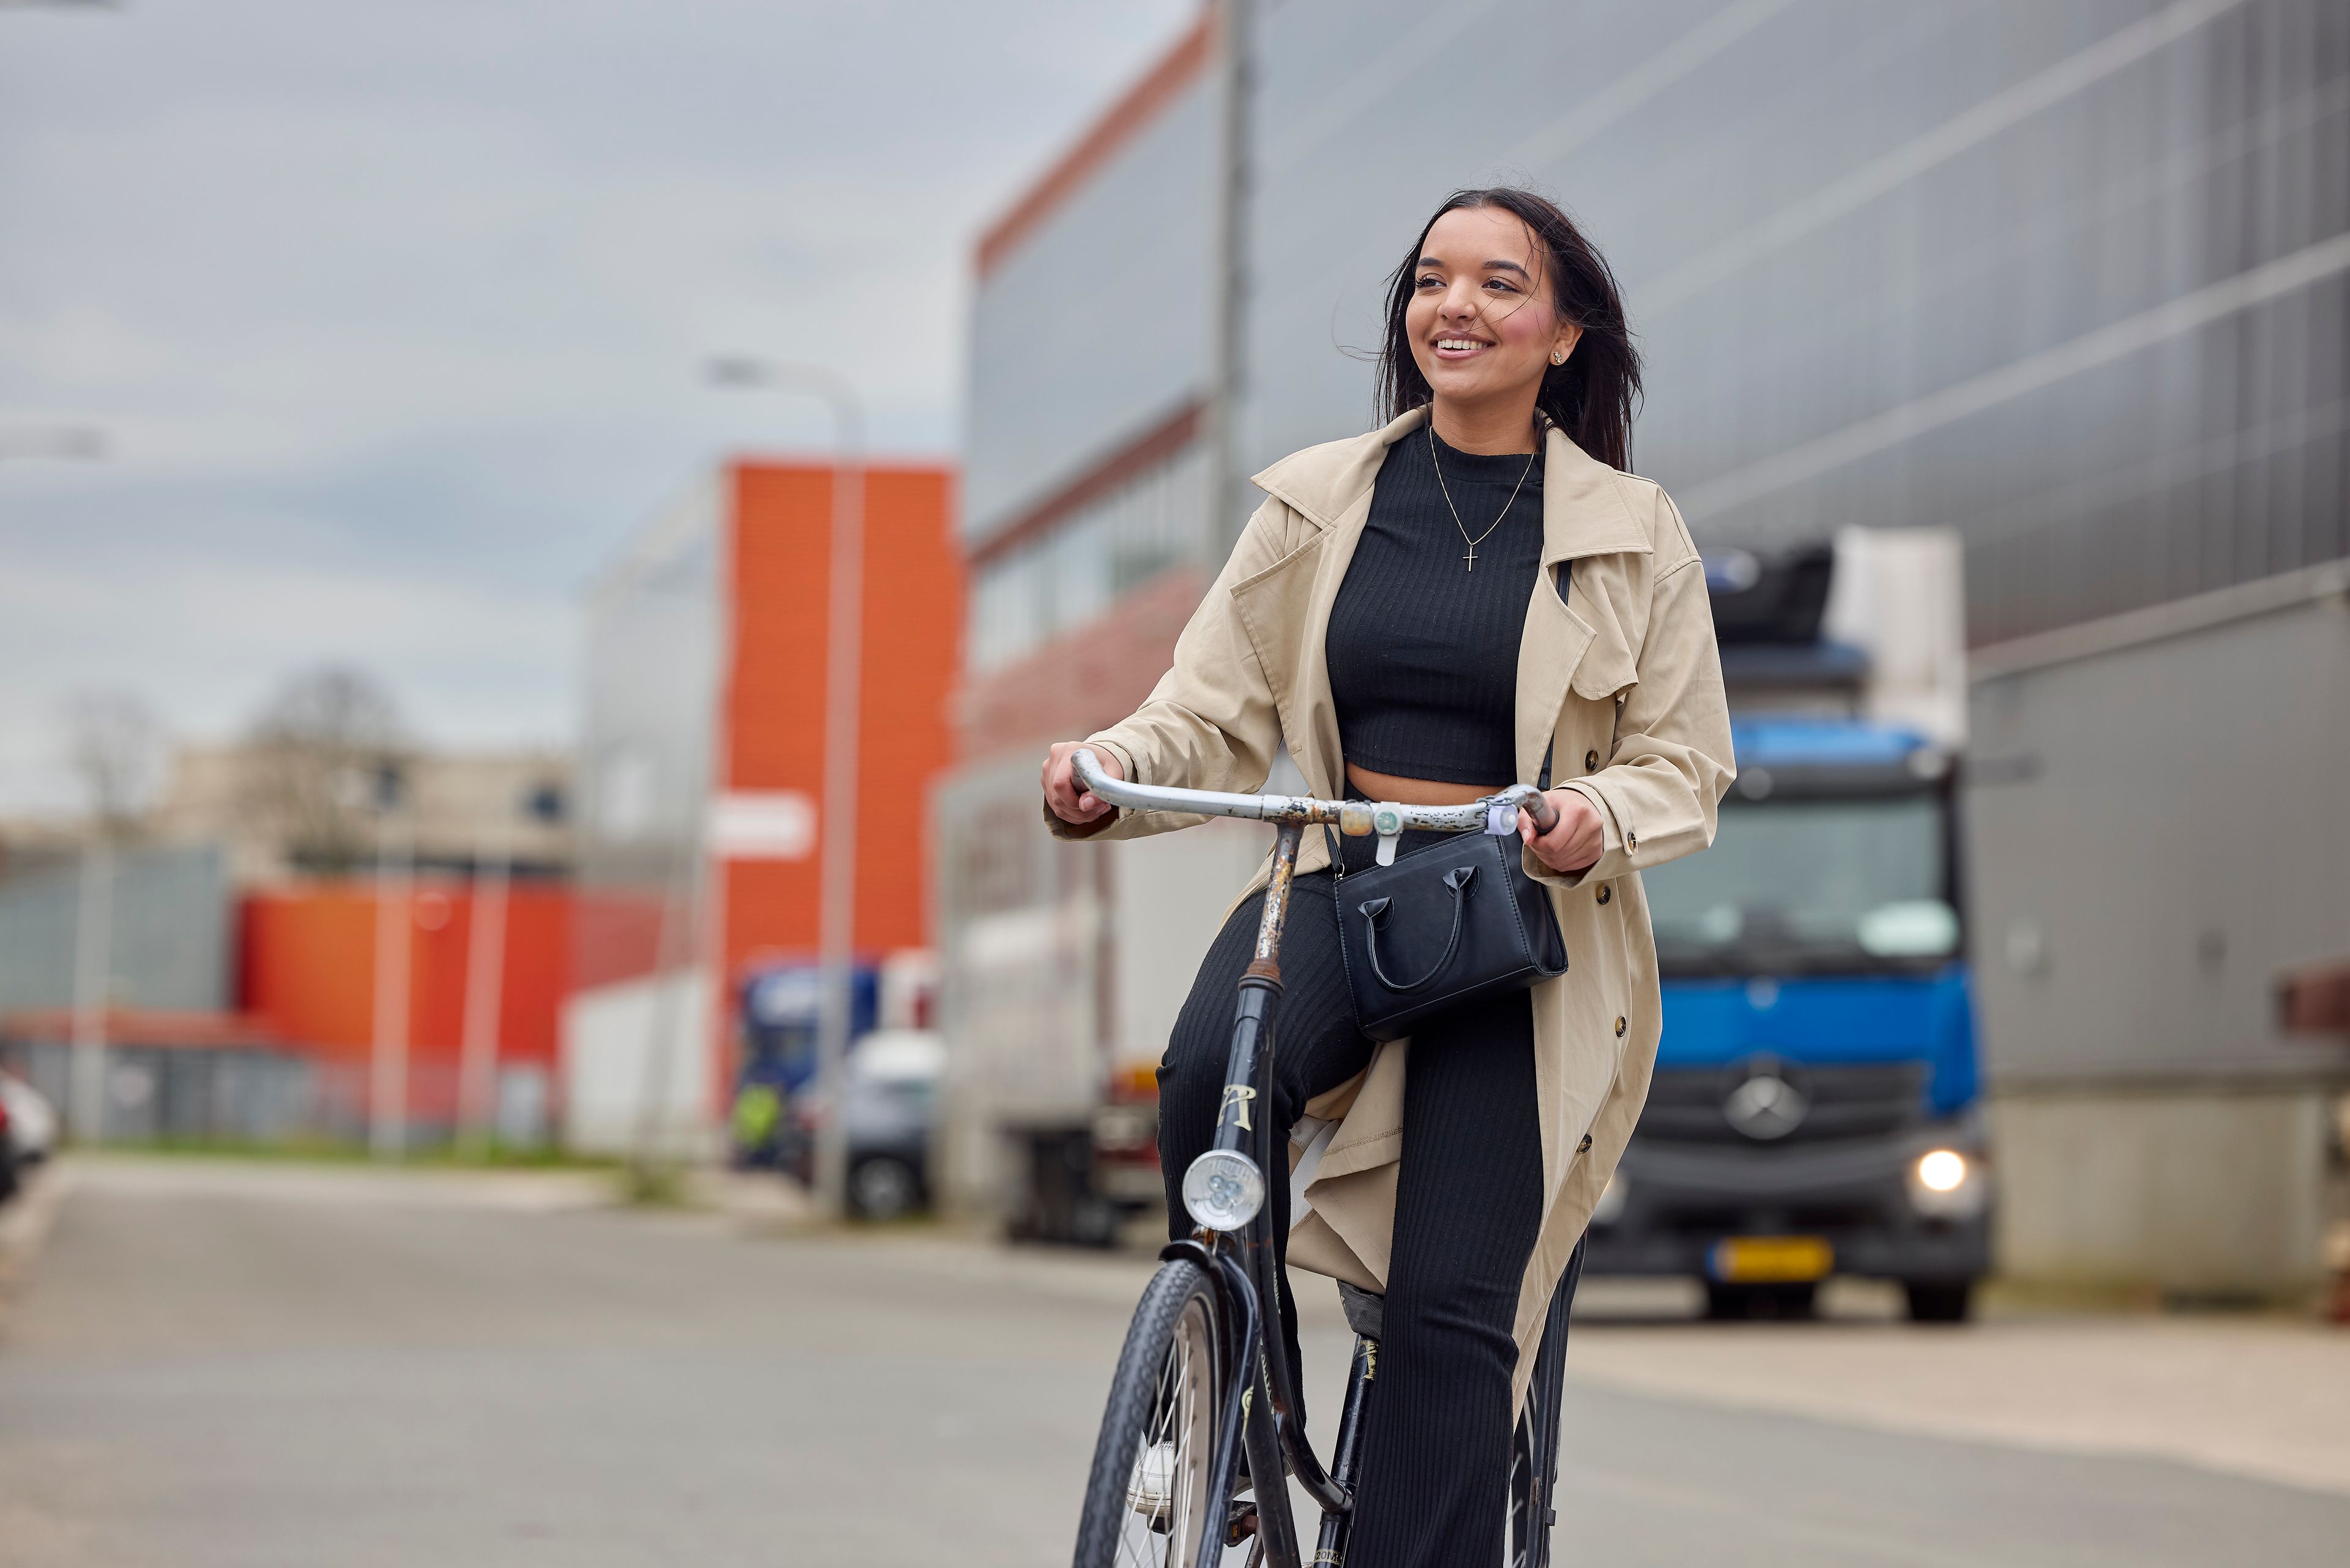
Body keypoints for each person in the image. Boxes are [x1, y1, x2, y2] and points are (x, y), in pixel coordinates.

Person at [1042, 186, 1734, 1567]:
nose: (1456, 308)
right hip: (1337, 879)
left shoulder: (1633, 529)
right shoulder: (1314, 506)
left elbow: (1686, 758)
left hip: (1509, 922)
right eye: (1431, 281)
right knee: (1201, 1078)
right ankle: (1228, 1395)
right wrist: (1103, 768)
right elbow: (1206, 711)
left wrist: (1593, 813)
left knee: (1452, 1314)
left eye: (1498, 283)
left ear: (1566, 330)